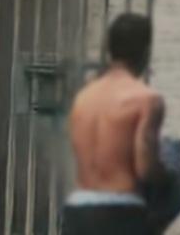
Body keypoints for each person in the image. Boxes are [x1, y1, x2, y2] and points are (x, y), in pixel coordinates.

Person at [65, 12, 166, 235]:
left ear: (110, 50)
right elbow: (145, 169)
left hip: (78, 211)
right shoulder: (146, 100)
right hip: (120, 214)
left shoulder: (83, 98)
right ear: (146, 52)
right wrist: (168, 174)